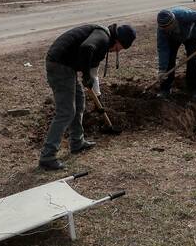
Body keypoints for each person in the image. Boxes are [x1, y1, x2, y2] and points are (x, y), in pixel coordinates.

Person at [39, 22, 137, 171]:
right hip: (59, 65)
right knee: (66, 112)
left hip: (67, 67)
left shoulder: (103, 42)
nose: (117, 51)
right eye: (119, 48)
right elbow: (86, 48)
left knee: (79, 102)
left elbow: (93, 74)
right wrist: (85, 74)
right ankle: (47, 156)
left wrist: (98, 96)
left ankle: (77, 142)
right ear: (118, 41)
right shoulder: (102, 37)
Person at [156, 7, 196, 99]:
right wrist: (162, 69)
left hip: (192, 35)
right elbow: (163, 49)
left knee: (193, 61)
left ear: (173, 22)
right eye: (164, 29)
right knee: (169, 61)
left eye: (168, 28)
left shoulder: (185, 15)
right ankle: (165, 89)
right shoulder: (162, 30)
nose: (166, 30)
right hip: (173, 39)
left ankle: (193, 89)